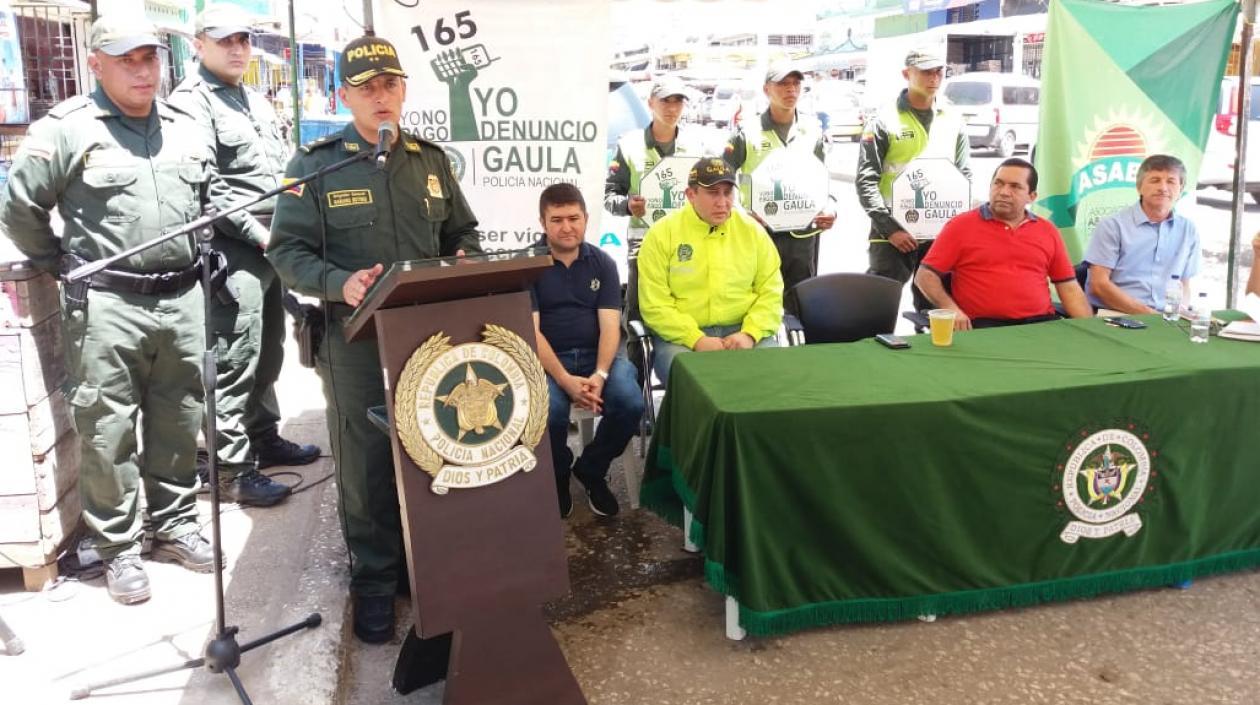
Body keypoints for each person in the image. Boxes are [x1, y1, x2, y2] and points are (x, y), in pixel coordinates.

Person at [267, 35, 481, 644]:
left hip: (428, 335)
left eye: (390, 84)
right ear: (344, 95)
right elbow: (286, 253)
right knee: (365, 465)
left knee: (428, 451)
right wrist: (339, 282)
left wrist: (466, 258)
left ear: (404, 90)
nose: (380, 96)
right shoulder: (314, 165)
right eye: (366, 87)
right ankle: (375, 581)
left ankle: (421, 566)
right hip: (354, 342)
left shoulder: (430, 161)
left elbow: (463, 231)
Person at [0, 14, 215, 604]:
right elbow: (20, 207)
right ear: (95, 64)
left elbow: (207, 196)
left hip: (183, 297)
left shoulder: (184, 127)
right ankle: (118, 548)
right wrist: (58, 263)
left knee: (179, 417)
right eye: (127, 60)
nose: (144, 70)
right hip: (108, 305)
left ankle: (172, 526)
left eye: (150, 57)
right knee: (107, 428)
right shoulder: (67, 129)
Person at [169, 3, 318, 508]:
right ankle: (231, 470)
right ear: (199, 44)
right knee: (235, 357)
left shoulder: (250, 97)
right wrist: (260, 233)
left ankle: (263, 437)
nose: (237, 48)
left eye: (243, 40)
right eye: (225, 40)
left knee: (269, 350)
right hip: (236, 250)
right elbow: (206, 186)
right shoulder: (194, 101)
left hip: (270, 246)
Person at [532, 183, 644, 519]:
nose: (567, 227)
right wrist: (566, 380)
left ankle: (592, 468)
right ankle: (560, 472)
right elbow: (531, 332)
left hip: (601, 358)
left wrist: (600, 373)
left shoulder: (603, 263)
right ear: (543, 222)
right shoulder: (527, 264)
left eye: (574, 218)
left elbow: (611, 326)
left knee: (630, 401)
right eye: (557, 220)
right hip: (549, 364)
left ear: (585, 218)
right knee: (546, 413)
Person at [637, 157, 783, 384]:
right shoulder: (660, 235)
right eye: (713, 193)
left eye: (728, 193)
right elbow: (654, 305)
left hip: (743, 330)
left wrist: (750, 333)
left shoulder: (753, 232)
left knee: (777, 370)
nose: (723, 202)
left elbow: (772, 292)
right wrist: (696, 339)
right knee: (692, 378)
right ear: (690, 195)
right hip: (681, 338)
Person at [857, 46, 971, 312]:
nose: (934, 79)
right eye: (925, 72)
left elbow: (964, 175)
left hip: (940, 232)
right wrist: (890, 228)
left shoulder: (953, 119)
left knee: (936, 308)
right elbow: (866, 181)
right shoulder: (883, 122)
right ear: (906, 74)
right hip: (893, 232)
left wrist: (957, 228)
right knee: (878, 305)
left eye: (938, 72)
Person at [915, 158, 1092, 328]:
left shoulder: (1047, 230)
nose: (1004, 192)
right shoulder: (960, 226)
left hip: (1040, 324)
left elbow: (1068, 288)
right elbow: (925, 276)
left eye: (1015, 187)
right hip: (983, 326)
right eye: (998, 183)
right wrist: (951, 310)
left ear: (1032, 196)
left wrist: (1092, 329)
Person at [724, 65, 834, 317]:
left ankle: (796, 352)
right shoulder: (746, 132)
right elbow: (724, 179)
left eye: (796, 83)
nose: (791, 89)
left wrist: (830, 207)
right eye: (783, 84)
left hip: (803, 234)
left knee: (800, 305)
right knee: (755, 302)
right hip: (759, 233)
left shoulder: (812, 129)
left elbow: (822, 179)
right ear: (766, 90)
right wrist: (741, 213)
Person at [604, 76, 707, 308]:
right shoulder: (629, 145)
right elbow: (610, 195)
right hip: (644, 239)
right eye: (665, 101)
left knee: (687, 306)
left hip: (688, 239)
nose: (672, 108)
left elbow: (711, 193)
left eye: (678, 102)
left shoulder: (696, 147)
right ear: (651, 103)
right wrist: (628, 206)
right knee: (639, 309)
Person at [1084, 154, 1200, 314]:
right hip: (1117, 315)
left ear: (1180, 189)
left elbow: (1184, 284)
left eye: (1171, 181)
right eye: (1155, 180)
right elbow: (1099, 285)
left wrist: (1181, 311)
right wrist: (1149, 315)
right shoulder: (1113, 226)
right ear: (1139, 187)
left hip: (1166, 318)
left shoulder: (1188, 229)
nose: (1163, 188)